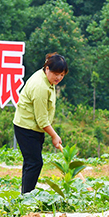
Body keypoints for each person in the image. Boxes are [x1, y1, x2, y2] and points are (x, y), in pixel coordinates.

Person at [13, 53, 68, 194]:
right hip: (27, 128)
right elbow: (42, 120)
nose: (58, 78)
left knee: (31, 162)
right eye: (56, 74)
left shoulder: (46, 79)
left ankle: (25, 195)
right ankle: (27, 197)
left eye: (62, 75)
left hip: (34, 128)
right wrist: (54, 136)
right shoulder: (40, 87)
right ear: (47, 69)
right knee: (34, 163)